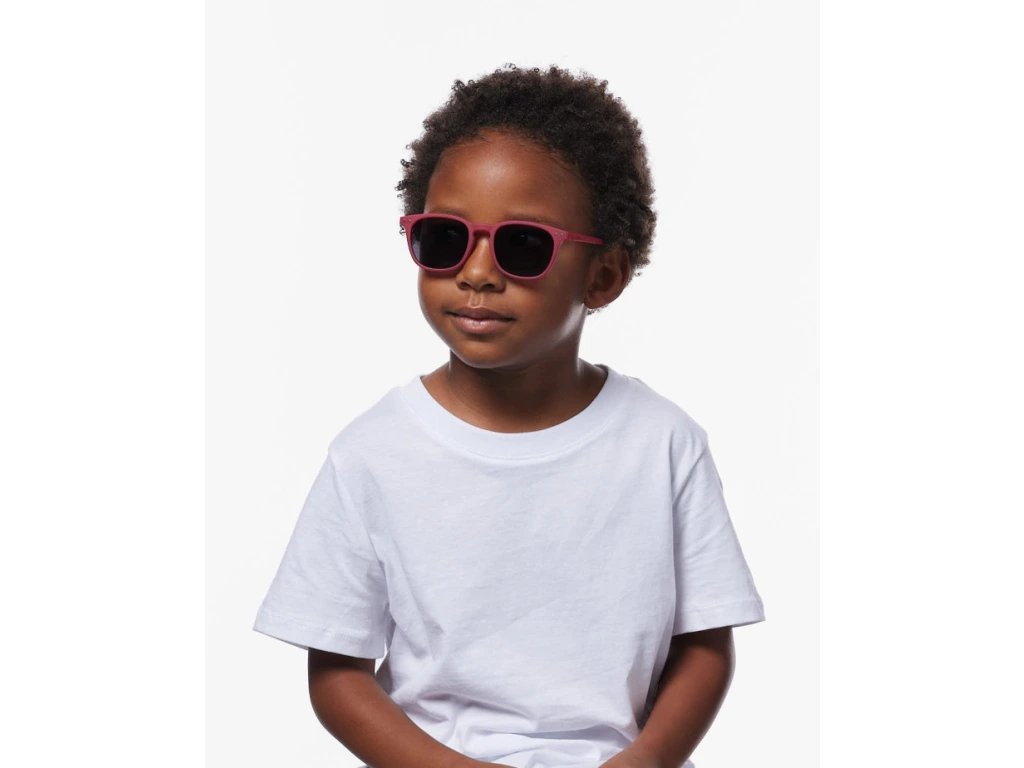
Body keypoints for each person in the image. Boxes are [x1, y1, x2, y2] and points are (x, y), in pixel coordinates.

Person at [253, 63, 765, 768]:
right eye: (444, 238)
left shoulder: (663, 443)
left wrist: (643, 761)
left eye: (522, 245)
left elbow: (703, 644)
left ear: (604, 276)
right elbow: (338, 672)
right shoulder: (371, 453)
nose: (476, 272)